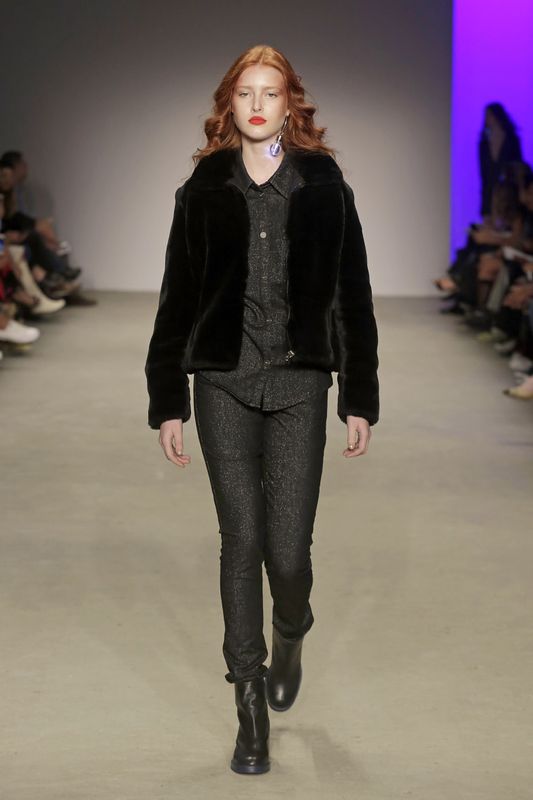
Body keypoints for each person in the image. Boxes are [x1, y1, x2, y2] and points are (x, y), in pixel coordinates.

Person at [144, 44, 379, 775]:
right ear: (229, 104)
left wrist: (359, 396)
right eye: (244, 92)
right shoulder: (203, 189)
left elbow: (352, 295)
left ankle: (292, 627)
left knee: (288, 552)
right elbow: (177, 298)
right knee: (240, 542)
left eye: (269, 93)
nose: (255, 105)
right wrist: (167, 399)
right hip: (223, 382)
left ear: (288, 105)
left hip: (302, 385)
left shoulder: (325, 187)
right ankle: (248, 706)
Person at [479, 103, 522, 220]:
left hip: (509, 194)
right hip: (489, 195)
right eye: (486, 115)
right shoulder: (484, 144)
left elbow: (519, 166)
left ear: (497, 116)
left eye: (489, 115)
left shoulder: (512, 140)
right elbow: (484, 175)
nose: (487, 118)